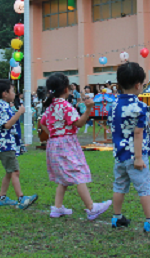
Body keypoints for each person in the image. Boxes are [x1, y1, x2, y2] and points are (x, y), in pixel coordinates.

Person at [40, 72, 112, 220]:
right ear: (67, 89)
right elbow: (78, 123)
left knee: (62, 178)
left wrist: (53, 134)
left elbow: (42, 123)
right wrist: (88, 110)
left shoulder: (50, 106)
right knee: (78, 173)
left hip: (53, 144)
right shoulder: (65, 106)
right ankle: (91, 208)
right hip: (66, 144)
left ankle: (57, 208)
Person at [109, 62, 150, 232]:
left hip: (119, 155)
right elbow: (138, 133)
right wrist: (138, 158)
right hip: (136, 156)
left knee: (119, 186)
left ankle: (117, 217)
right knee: (144, 188)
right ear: (138, 85)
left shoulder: (113, 106)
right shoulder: (141, 107)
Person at [0, 79, 38, 209]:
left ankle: (2, 197)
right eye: (12, 91)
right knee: (15, 171)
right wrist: (19, 113)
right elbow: (7, 124)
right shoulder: (1, 106)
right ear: (5, 93)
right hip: (5, 145)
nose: (14, 94)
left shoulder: (3, 106)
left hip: (5, 145)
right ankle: (21, 198)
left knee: (9, 171)